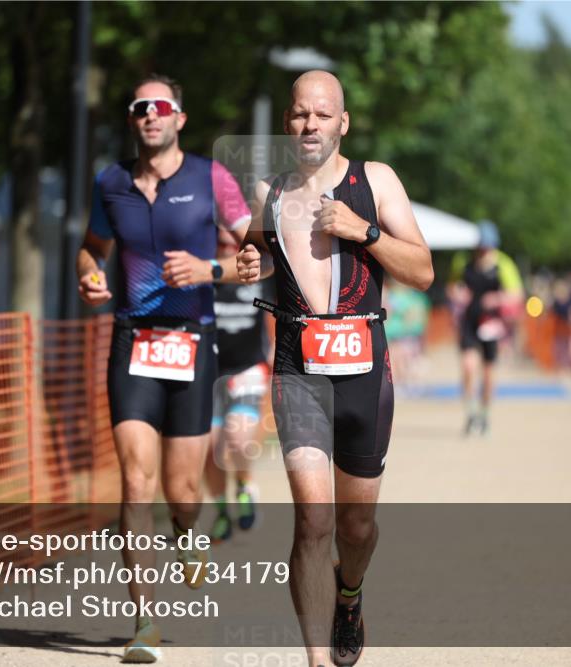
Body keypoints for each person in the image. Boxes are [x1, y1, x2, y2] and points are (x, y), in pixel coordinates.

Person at [236, 70, 433, 667]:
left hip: (365, 375)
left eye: (323, 115)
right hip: (298, 371)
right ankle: (318, 660)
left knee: (356, 528)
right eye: (300, 114)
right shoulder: (267, 193)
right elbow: (250, 250)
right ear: (287, 122)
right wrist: (247, 260)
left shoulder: (375, 181)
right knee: (313, 522)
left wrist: (363, 230)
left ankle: (351, 593)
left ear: (343, 122)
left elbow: (422, 271)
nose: (310, 125)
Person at [76, 73, 252, 664]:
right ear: (133, 120)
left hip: (193, 342)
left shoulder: (212, 179)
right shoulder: (112, 182)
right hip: (133, 342)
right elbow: (90, 248)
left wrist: (211, 273)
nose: (151, 115)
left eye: (162, 106)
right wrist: (89, 275)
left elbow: (261, 254)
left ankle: (187, 533)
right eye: (140, 107)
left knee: (182, 491)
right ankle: (144, 621)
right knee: (135, 482)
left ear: (179, 117)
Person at [203, 227, 273, 542]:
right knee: (209, 446)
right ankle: (220, 512)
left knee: (238, 437)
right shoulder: (204, 277)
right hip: (209, 372)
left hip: (247, 369)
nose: (230, 248)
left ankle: (244, 486)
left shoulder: (258, 275)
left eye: (236, 242)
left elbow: (275, 316)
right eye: (223, 243)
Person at [448, 221, 524, 435]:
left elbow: (517, 295)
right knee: (468, 367)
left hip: (492, 325)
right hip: (469, 323)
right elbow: (451, 287)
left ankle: (485, 413)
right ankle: (471, 412)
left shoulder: (504, 265)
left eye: (488, 247)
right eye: (481, 247)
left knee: (488, 372)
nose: (484, 252)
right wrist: (457, 293)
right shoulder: (463, 262)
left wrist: (498, 298)